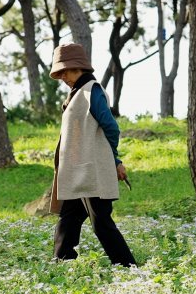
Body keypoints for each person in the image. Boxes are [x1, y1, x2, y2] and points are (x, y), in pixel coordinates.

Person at [48, 43, 137, 267]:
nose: (63, 78)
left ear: (76, 68)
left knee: (101, 223)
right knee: (68, 219)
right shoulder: (77, 93)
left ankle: (129, 268)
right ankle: (62, 264)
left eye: (64, 72)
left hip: (91, 170)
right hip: (78, 171)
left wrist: (113, 159)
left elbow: (111, 128)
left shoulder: (91, 91)